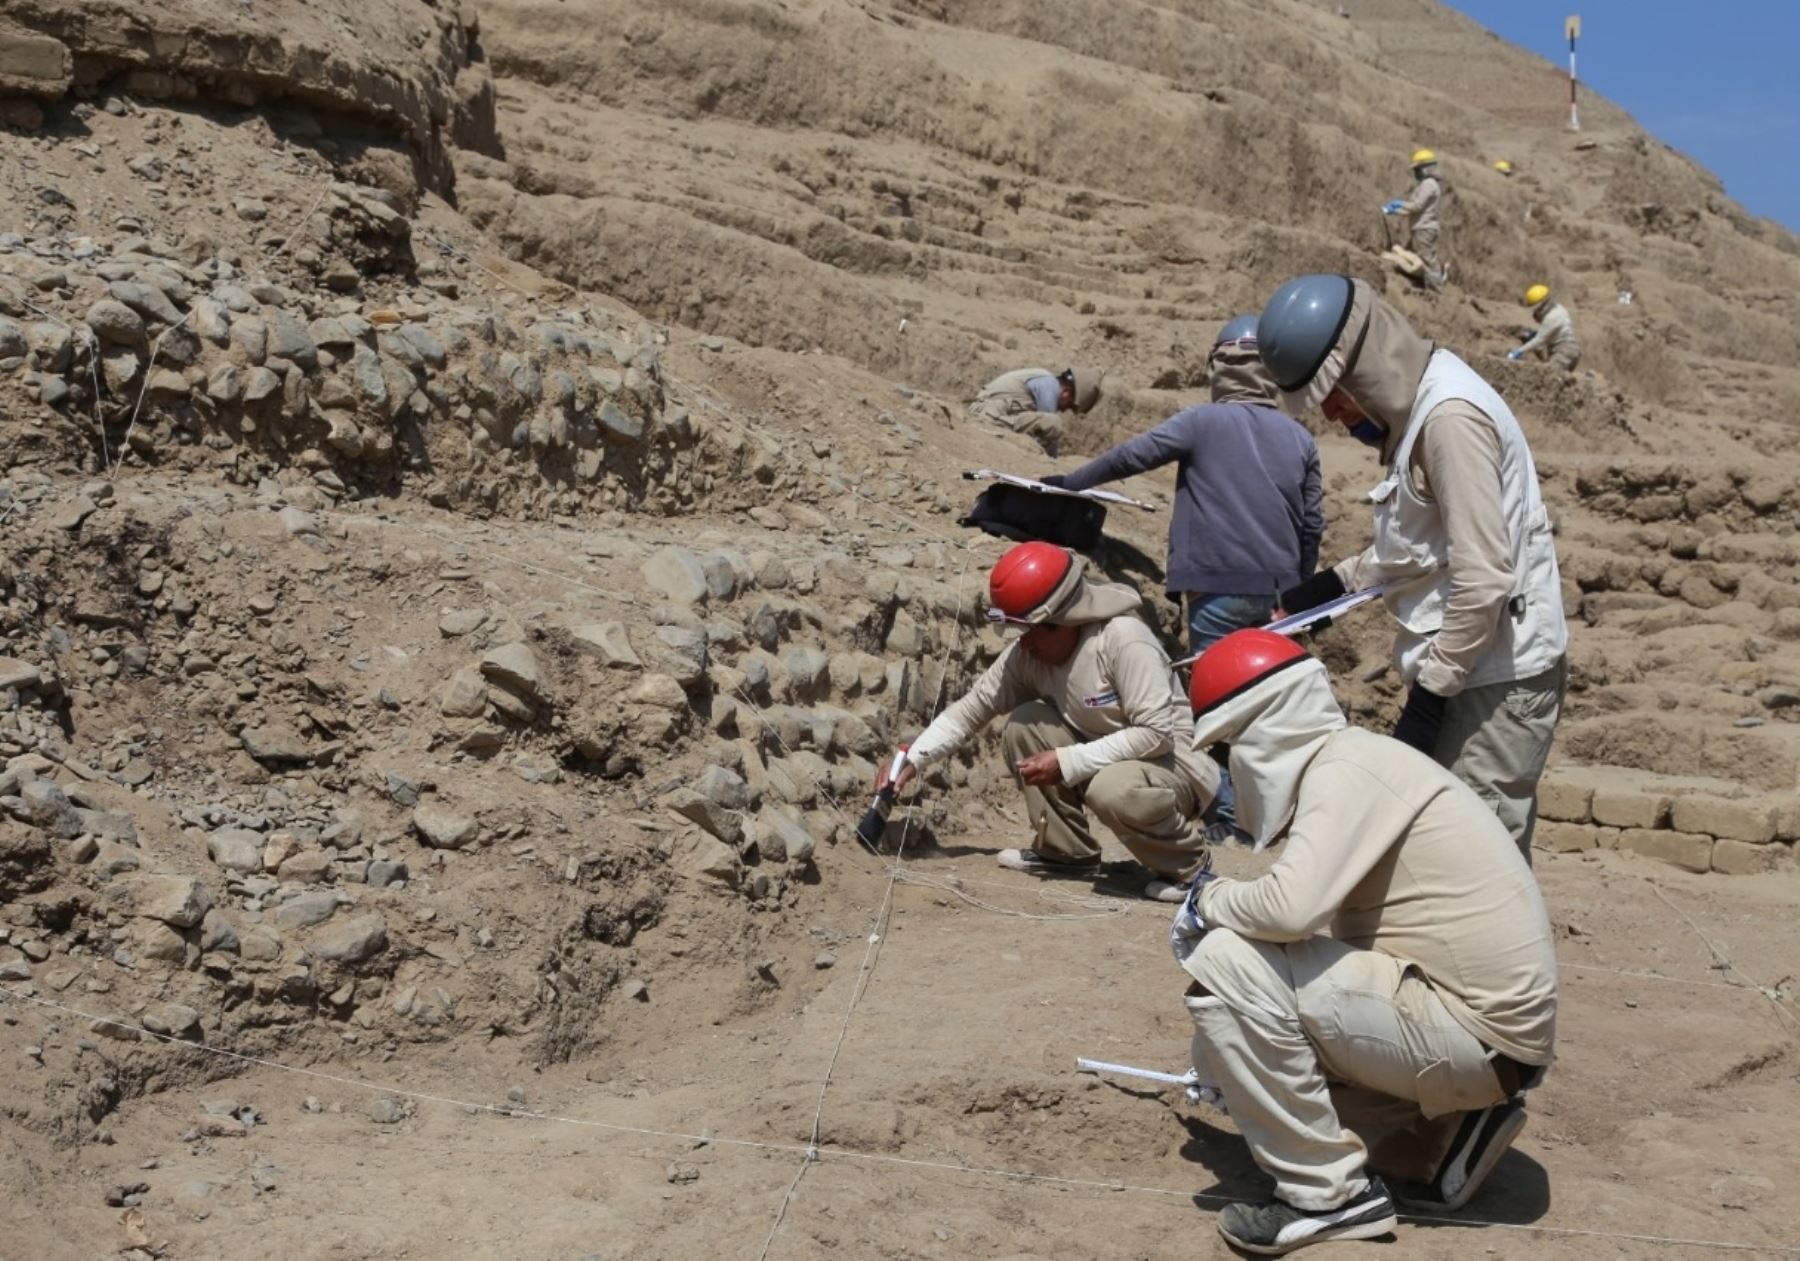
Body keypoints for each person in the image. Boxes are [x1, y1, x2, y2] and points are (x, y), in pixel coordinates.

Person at [1171, 628, 1558, 1255]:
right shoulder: (1353, 760)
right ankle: (1444, 1139)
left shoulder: (1344, 769)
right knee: (1256, 1075)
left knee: (1226, 963)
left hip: (1473, 1032)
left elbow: (1290, 909)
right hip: (1487, 1038)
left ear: (1259, 730)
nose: (1227, 768)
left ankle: (1328, 1198)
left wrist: (1206, 900)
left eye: (1227, 749)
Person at [1257, 274, 1569, 858]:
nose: (1330, 414)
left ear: (1365, 368)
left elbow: (1483, 578)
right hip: (1468, 669)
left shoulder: (1449, 421)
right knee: (1442, 856)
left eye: (1334, 394)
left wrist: (1428, 702)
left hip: (1496, 679)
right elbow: (1417, 550)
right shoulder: (1417, 417)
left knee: (1476, 861)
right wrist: (1324, 593)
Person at [1040, 314, 1323, 838]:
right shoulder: (1299, 439)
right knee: (1270, 707)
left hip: (1216, 587)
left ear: (1222, 368)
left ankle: (1232, 819)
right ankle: (1286, 816)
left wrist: (1070, 483)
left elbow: (1132, 456)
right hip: (1281, 596)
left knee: (1217, 706)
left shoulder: (1200, 423)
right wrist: (1298, 594)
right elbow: (1312, 524)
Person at [876, 541, 1218, 901]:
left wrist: (1069, 761)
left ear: (1062, 620)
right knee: (1027, 723)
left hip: (1173, 768)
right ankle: (1065, 853)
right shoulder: (1029, 653)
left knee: (1112, 788)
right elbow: (971, 709)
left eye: (1029, 629)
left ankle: (1192, 869)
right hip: (1111, 760)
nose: (1022, 642)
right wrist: (912, 760)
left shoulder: (1123, 640)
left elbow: (1155, 735)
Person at [968, 365, 1103, 454]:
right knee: (1053, 423)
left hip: (993, 414)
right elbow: (1051, 438)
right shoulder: (1049, 385)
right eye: (1069, 406)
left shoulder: (1044, 381)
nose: (1064, 410)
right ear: (1066, 393)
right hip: (987, 415)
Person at [1382, 149, 1444, 290]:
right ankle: (1424, 285)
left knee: (1427, 261)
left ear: (1426, 169)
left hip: (1424, 229)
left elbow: (1416, 206)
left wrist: (1399, 204)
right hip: (1421, 228)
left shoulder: (1429, 184)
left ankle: (1436, 290)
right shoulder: (1427, 184)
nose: (1416, 173)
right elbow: (1413, 209)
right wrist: (1395, 210)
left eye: (1418, 169)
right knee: (1415, 255)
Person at [1509, 284, 1580, 372]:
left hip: (1564, 352)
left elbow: (1539, 340)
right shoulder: (1559, 308)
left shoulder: (1551, 318)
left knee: (1551, 373)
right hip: (1571, 350)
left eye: (1535, 312)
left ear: (1541, 308)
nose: (1535, 315)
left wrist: (1520, 351)